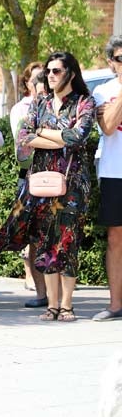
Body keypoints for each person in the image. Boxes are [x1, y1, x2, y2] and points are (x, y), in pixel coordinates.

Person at [0, 52, 95, 322]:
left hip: (72, 183)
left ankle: (67, 305)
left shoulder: (84, 102)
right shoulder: (41, 102)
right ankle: (52, 304)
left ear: (71, 72)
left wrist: (43, 133)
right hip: (43, 181)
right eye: (48, 71)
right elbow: (24, 136)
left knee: (67, 241)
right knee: (46, 241)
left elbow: (78, 137)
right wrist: (57, 137)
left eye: (56, 71)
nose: (50, 76)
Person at [9, 62, 49, 307]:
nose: (44, 83)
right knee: (34, 237)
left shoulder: (61, 108)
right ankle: (41, 293)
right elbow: (23, 150)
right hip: (32, 179)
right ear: (29, 85)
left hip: (61, 180)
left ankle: (59, 296)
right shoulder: (22, 111)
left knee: (55, 237)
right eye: (38, 80)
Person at [92, 36, 122, 321]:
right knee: (116, 238)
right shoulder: (103, 91)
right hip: (115, 171)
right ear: (112, 63)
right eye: (121, 59)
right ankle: (115, 304)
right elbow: (109, 127)